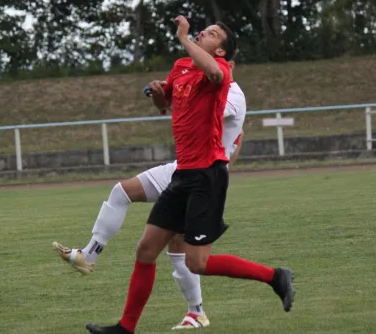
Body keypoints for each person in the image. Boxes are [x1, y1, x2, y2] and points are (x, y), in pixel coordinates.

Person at [84, 16, 294, 334]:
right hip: (182, 172)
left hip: (206, 177)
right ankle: (125, 328)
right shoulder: (185, 69)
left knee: (197, 262)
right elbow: (166, 103)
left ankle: (275, 276)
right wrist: (158, 92)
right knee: (145, 250)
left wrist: (185, 39)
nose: (201, 33)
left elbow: (212, 76)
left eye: (211, 34)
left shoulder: (220, 74)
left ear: (222, 52)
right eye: (202, 30)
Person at [53, 53, 246, 329]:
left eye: (218, 59)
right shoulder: (200, 83)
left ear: (231, 65)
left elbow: (208, 114)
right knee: (136, 207)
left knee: (180, 249)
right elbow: (170, 107)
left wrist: (177, 94)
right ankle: (195, 312)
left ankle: (202, 309)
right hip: (185, 168)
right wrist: (162, 94)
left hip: (199, 174)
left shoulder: (233, 95)